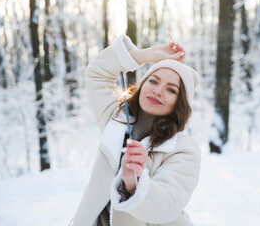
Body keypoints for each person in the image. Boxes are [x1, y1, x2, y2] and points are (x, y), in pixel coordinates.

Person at [70, 35, 201, 226]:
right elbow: (97, 73)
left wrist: (135, 182)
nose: (157, 91)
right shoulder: (115, 118)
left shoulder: (183, 148)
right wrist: (146, 55)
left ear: (179, 103)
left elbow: (168, 204)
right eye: (153, 81)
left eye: (171, 90)